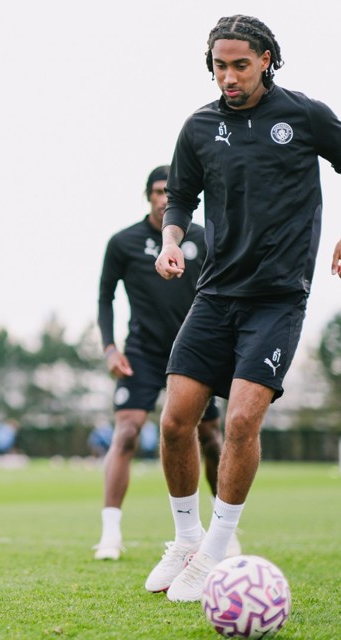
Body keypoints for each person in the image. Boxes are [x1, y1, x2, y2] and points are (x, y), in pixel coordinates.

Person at [146, 15, 341, 601]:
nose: (229, 76)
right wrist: (171, 241)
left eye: (240, 64)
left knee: (242, 420)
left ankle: (216, 551)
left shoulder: (303, 115)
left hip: (277, 297)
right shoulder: (198, 127)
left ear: (266, 59)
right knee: (174, 422)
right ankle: (186, 539)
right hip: (215, 294)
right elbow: (180, 199)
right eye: (220, 66)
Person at [94, 165, 233, 561]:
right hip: (141, 353)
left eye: (170, 191)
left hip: (194, 351)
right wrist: (109, 347)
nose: (164, 198)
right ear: (147, 196)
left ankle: (225, 532)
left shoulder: (205, 239)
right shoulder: (123, 243)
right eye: (158, 191)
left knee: (209, 437)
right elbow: (106, 297)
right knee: (127, 433)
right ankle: (110, 535)